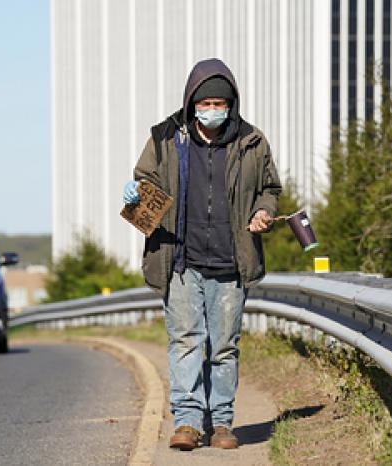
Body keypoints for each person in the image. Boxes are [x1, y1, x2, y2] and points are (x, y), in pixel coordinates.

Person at [123, 58, 282, 450]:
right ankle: (189, 422)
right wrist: (136, 190)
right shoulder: (164, 138)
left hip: (231, 261)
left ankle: (223, 423)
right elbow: (145, 180)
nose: (212, 110)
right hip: (180, 260)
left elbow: (270, 189)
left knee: (224, 345)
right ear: (192, 101)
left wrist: (264, 211)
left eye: (219, 104)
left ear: (231, 105)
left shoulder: (252, 141)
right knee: (186, 341)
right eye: (205, 103)